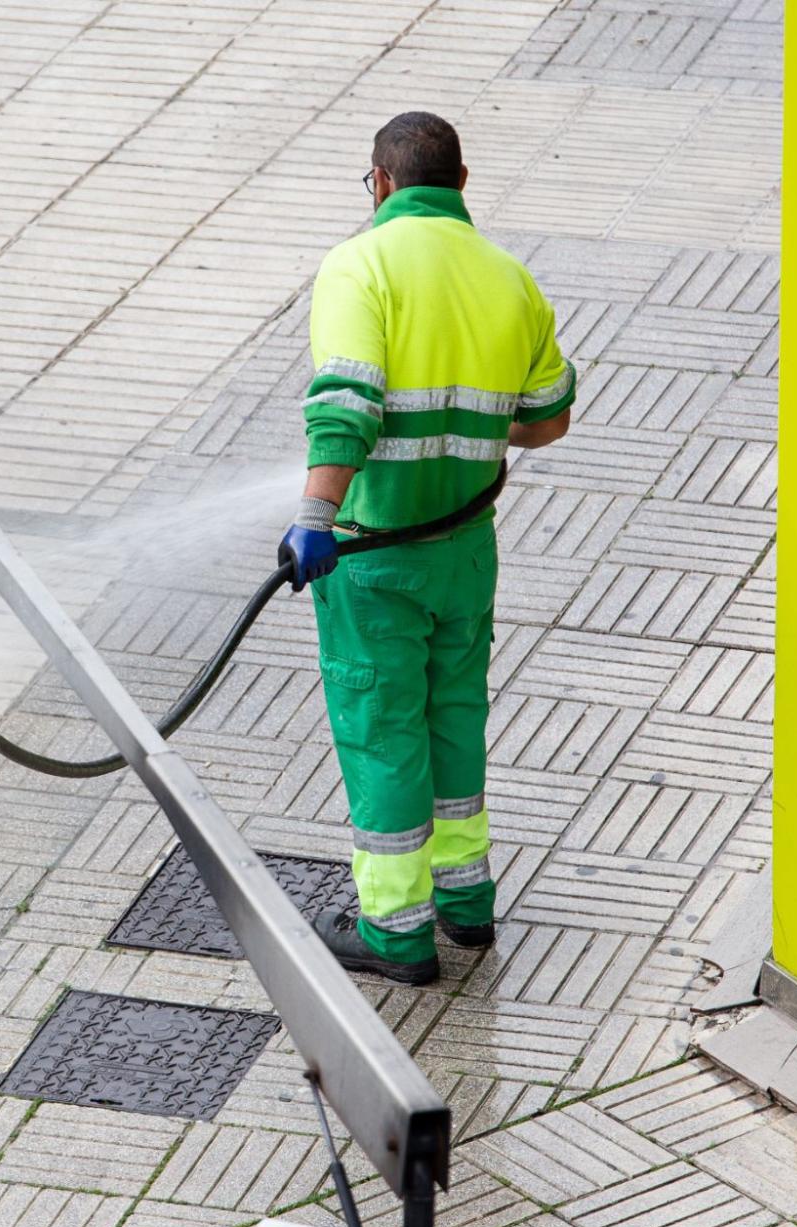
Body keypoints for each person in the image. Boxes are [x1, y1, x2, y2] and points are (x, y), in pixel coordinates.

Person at [282, 111, 575, 985]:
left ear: (377, 181)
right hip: (465, 551)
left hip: (372, 560)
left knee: (382, 733)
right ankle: (466, 901)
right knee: (455, 720)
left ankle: (396, 931)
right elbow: (548, 418)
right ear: (462, 179)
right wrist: (467, 430)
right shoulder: (509, 279)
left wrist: (312, 515)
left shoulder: (357, 265)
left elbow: (345, 408)